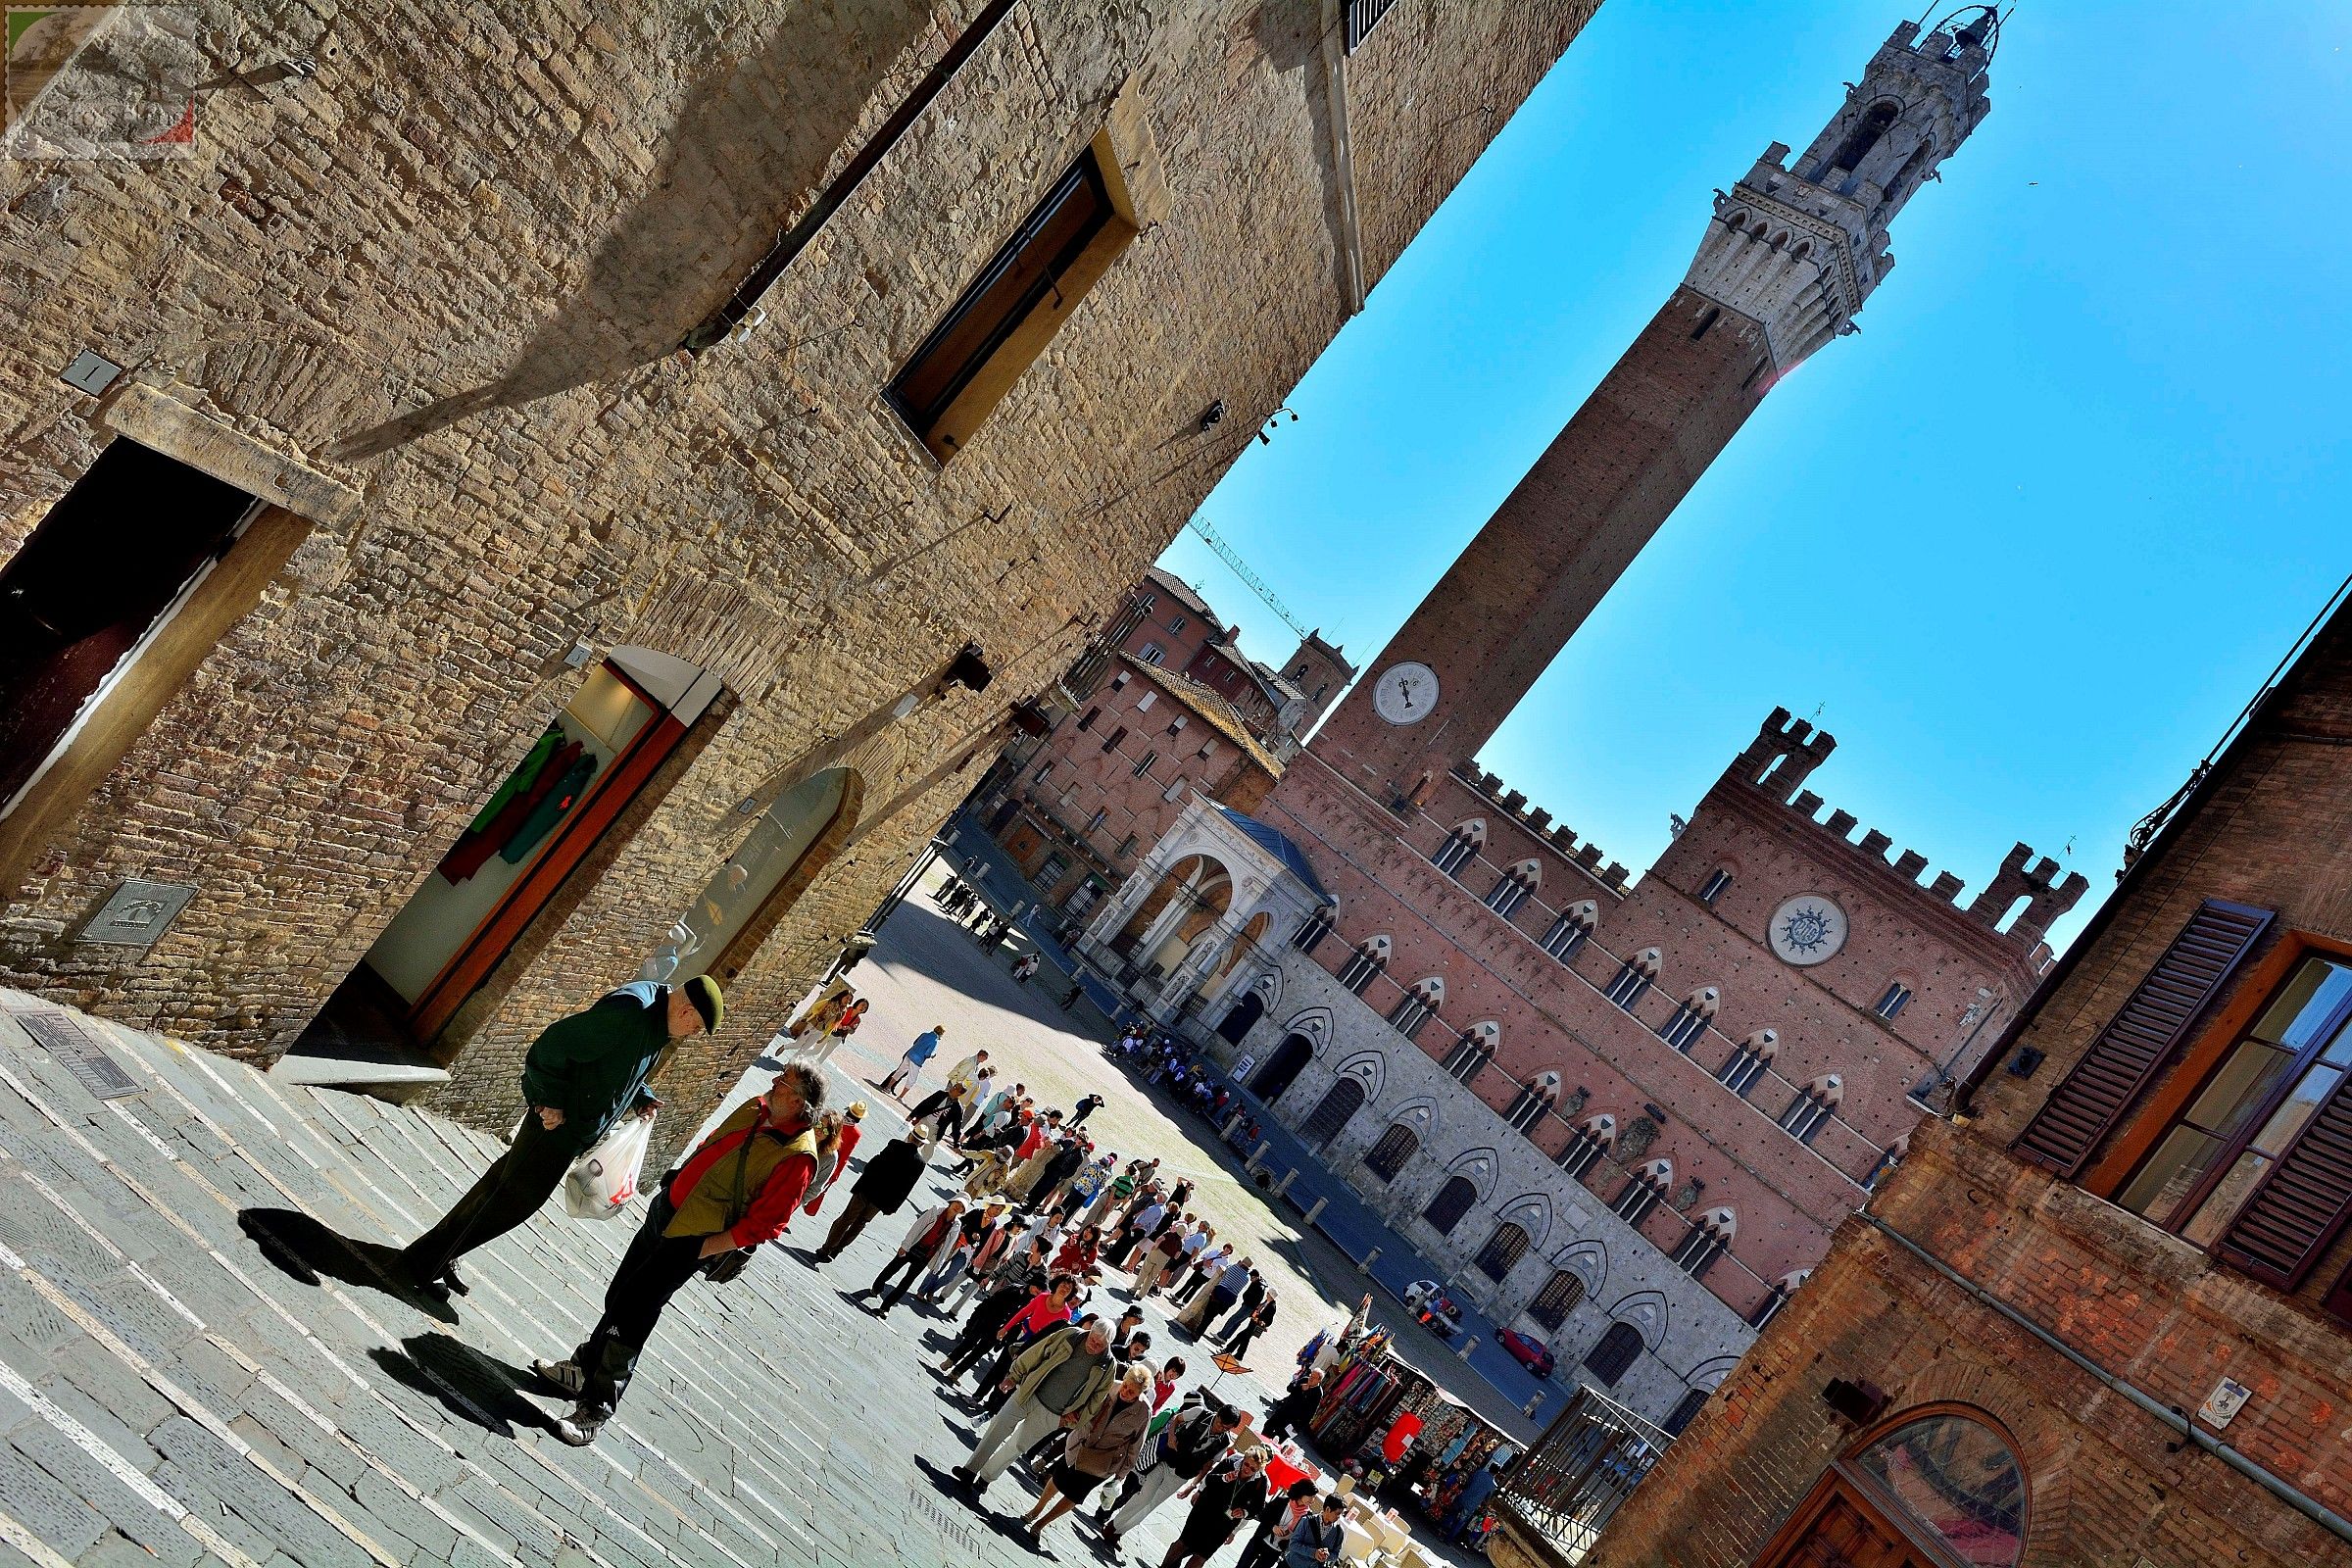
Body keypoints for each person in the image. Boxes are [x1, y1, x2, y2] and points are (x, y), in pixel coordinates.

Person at [530, 1061, 820, 1445]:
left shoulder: (798, 1158)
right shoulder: (756, 1106)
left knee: (633, 1314)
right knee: (619, 1296)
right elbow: (712, 1143)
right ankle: (583, 1368)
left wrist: (702, 1248)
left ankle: (596, 1409)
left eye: (782, 1081)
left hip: (692, 1236)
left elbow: (763, 1226)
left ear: (798, 1101)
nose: (773, 1080)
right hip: (666, 1211)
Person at [401, 976, 721, 1299]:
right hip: (556, 1127)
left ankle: (436, 1256)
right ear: (686, 1010)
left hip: (569, 1131)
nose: (694, 1035)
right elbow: (552, 1047)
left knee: (500, 1192)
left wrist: (641, 1096)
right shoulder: (632, 1013)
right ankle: (423, 1263)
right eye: (697, 1027)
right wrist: (548, 1101)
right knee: (508, 1203)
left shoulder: (656, 1023)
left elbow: (615, 1067)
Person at [952, 1319, 1118, 1495]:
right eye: (1093, 1339)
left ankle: (986, 1478)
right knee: (997, 1427)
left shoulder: (1108, 1365)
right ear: (1090, 1331)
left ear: (1108, 1344)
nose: (1094, 1345)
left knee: (1018, 1445)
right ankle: (969, 1471)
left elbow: (1097, 1400)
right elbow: (1038, 1352)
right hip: (1029, 1391)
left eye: (1100, 1344)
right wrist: (1014, 1376)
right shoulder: (1071, 1335)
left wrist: (1072, 1420)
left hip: (1054, 1414)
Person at [1015, 1361, 1155, 1543]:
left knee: (1075, 1494)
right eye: (1126, 1385)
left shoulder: (1144, 1412)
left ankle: (1041, 1524)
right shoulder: (1110, 1386)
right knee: (1059, 1479)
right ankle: (1036, 1510)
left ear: (1140, 1394)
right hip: (1080, 1444)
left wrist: (1120, 1477)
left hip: (1103, 1462)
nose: (1126, 1392)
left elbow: (1135, 1446)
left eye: (1132, 1392)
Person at [1100, 1396, 1239, 1547]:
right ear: (1217, 1415)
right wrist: (1171, 1437)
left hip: (1181, 1476)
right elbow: (1177, 1419)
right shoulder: (1199, 1413)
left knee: (1151, 1505)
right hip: (1167, 1461)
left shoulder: (1224, 1442)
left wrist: (1193, 1485)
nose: (1221, 1428)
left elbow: (1208, 1464)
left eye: (1226, 1428)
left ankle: (1119, 1533)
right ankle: (1113, 1527)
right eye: (1221, 1424)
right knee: (1144, 1497)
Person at [813, 1123, 928, 1260]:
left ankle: (826, 1249)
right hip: (883, 1200)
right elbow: (907, 1188)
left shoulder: (895, 1144)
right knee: (860, 1224)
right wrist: (893, 1207)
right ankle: (837, 1250)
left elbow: (874, 1163)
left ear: (910, 1135)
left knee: (846, 1218)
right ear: (921, 1144)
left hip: (867, 1189)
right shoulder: (919, 1163)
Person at [852, 1198, 965, 1315]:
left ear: (962, 1211)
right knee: (892, 1269)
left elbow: (947, 1247)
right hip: (913, 1246)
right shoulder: (935, 1211)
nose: (958, 1206)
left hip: (926, 1255)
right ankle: (876, 1288)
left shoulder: (956, 1225)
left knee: (907, 1281)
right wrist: (905, 1245)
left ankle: (885, 1308)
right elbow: (917, 1227)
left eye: (961, 1206)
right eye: (957, 1202)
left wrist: (939, 1264)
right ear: (952, 1202)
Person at [1160, 1447, 1270, 1568]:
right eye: (1246, 1464)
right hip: (1205, 1509)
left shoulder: (1262, 1481)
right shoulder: (1231, 1462)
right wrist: (1223, 1478)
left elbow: (1259, 1507)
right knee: (1184, 1542)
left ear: (1259, 1469)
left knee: (1202, 1555)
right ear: (1243, 1459)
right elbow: (1209, 1479)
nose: (1247, 1469)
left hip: (1226, 1522)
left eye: (1252, 1468)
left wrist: (1245, 1512)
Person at [799, 1101, 864, 1222]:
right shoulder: (856, 1133)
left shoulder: (834, 1120)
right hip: (829, 1161)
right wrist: (836, 1174)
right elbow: (845, 1156)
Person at [1239, 1479, 1320, 1568]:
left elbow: (1302, 1538)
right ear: (1302, 1492)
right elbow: (1263, 1514)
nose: (1313, 1500)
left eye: (1314, 1497)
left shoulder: (1308, 1516)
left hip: (1275, 1551)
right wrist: (1273, 1527)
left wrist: (1289, 1536)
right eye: (1311, 1496)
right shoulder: (1282, 1501)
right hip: (1259, 1541)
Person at [1283, 1494, 1349, 1567]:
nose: (1339, 1517)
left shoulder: (1339, 1532)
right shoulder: (1306, 1521)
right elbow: (1293, 1544)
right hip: (1291, 1564)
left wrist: (1327, 1555)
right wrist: (1313, 1553)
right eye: (1337, 1514)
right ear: (1328, 1509)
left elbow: (1335, 1555)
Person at [878, 1024, 944, 1097]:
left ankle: (888, 1087)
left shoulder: (924, 1034)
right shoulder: (934, 1041)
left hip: (910, 1054)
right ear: (941, 1033)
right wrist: (932, 1056)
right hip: (917, 1061)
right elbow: (927, 1054)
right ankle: (901, 1096)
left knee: (899, 1071)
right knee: (912, 1080)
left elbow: (915, 1042)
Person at [1444, 1460, 1501, 1544]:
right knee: (1460, 1522)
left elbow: (1468, 1482)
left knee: (1452, 1513)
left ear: (1489, 1467)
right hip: (1471, 1505)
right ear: (1497, 1473)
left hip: (1463, 1497)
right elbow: (1487, 1499)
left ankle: (1441, 1528)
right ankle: (1448, 1539)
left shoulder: (1479, 1473)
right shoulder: (1493, 1486)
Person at [1261, 1368, 1323, 1442]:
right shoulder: (1304, 1380)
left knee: (1277, 1438)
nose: (1311, 1379)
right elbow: (1289, 1388)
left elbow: (1310, 1413)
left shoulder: (1318, 1393)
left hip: (1292, 1420)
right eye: (1311, 1376)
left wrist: (1297, 1427)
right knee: (1268, 1426)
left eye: (1314, 1378)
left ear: (1319, 1380)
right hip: (1283, 1411)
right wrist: (1300, 1387)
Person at [806, 996, 866, 1067]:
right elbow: (832, 1017)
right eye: (862, 1005)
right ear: (857, 1003)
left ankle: (812, 1068)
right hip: (829, 1032)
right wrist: (838, 1024)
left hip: (838, 1037)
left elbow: (852, 1031)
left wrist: (848, 1028)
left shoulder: (857, 1019)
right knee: (816, 1051)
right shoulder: (845, 1010)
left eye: (865, 1008)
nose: (863, 1008)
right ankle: (801, 1055)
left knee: (824, 1056)